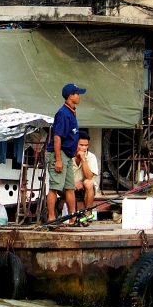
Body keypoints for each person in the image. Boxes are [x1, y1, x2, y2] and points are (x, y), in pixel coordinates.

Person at [46, 82, 86, 223]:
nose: (79, 96)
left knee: (70, 187)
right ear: (70, 96)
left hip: (68, 154)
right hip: (59, 153)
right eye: (77, 94)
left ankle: (72, 218)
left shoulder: (72, 112)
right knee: (55, 187)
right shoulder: (63, 114)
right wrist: (58, 159)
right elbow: (57, 138)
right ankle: (51, 218)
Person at [71, 133, 100, 210]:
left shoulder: (91, 156)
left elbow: (89, 177)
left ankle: (87, 214)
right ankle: (72, 216)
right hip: (69, 184)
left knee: (88, 182)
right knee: (68, 186)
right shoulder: (68, 155)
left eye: (86, 145)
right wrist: (73, 183)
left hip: (85, 185)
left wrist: (83, 160)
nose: (84, 148)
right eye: (81, 145)